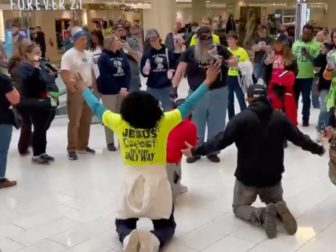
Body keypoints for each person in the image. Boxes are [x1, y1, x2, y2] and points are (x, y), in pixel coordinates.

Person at [77, 62, 221, 252]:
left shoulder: (119, 122)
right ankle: (154, 241)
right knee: (166, 225)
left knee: (123, 222)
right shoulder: (163, 122)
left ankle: (128, 238)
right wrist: (208, 82)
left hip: (131, 184)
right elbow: (188, 104)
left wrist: (84, 89)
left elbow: (97, 107)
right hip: (158, 185)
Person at [181, 84, 325, 239]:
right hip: (273, 178)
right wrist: (318, 149)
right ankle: (278, 207)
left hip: (247, 178)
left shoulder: (241, 119)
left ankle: (261, 214)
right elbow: (300, 139)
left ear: (248, 99)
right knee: (276, 198)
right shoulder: (280, 117)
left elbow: (220, 140)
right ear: (266, 97)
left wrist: (195, 151)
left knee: (238, 207)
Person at [173, 26, 237, 163]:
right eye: (203, 43)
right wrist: (174, 86)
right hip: (197, 93)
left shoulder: (220, 49)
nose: (206, 46)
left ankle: (212, 150)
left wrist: (225, 62)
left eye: (208, 42)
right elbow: (180, 69)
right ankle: (194, 150)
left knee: (217, 122)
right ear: (197, 40)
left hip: (218, 92)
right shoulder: (190, 52)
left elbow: (235, 62)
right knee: (196, 123)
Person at [61, 26, 96, 161]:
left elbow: (91, 71)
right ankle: (72, 148)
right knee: (75, 121)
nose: (85, 42)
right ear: (75, 40)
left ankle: (83, 145)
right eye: (82, 39)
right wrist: (71, 87)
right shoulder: (69, 55)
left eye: (86, 39)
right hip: (76, 91)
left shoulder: (88, 54)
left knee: (86, 120)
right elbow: (64, 73)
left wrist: (93, 86)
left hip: (87, 89)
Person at [18, 43, 56, 164]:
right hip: (34, 100)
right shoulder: (24, 67)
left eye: (39, 52)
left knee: (44, 126)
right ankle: (36, 154)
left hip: (47, 98)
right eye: (35, 53)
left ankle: (42, 151)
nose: (38, 55)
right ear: (28, 54)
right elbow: (31, 82)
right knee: (39, 126)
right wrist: (36, 68)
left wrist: (52, 73)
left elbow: (48, 79)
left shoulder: (42, 66)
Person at [97, 34, 130, 152]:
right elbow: (105, 76)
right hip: (109, 92)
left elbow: (127, 71)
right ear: (110, 42)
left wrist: (125, 87)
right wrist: (117, 88)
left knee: (122, 117)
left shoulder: (122, 55)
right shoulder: (104, 57)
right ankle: (110, 142)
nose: (119, 41)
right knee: (110, 117)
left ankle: (122, 140)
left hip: (123, 91)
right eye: (116, 39)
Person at [166, 99, 198, 199]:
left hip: (156, 154)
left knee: (176, 168)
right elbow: (191, 147)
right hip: (169, 159)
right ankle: (173, 190)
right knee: (172, 181)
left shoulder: (166, 116)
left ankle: (176, 185)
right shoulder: (190, 126)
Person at [264, 34, 298, 126]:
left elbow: (295, 72)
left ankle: (290, 130)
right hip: (273, 86)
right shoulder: (271, 54)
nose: (277, 45)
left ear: (285, 44)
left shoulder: (290, 56)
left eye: (279, 43)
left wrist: (285, 77)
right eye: (275, 43)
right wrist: (268, 62)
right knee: (273, 106)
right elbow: (265, 70)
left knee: (289, 108)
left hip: (286, 87)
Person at [292, 24, 321, 126]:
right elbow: (292, 58)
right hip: (295, 76)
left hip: (308, 76)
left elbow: (317, 62)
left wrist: (308, 55)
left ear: (312, 34)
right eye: (304, 33)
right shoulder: (296, 44)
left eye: (308, 34)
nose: (306, 35)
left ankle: (305, 119)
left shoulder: (317, 45)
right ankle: (293, 118)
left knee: (305, 99)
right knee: (293, 98)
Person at [140, 29, 176, 111]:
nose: (153, 42)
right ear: (148, 41)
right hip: (152, 87)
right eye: (151, 40)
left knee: (169, 112)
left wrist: (172, 71)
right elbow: (143, 72)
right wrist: (145, 71)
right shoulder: (147, 54)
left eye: (155, 39)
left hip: (166, 87)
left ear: (159, 38)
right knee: (151, 112)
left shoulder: (167, 51)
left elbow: (174, 65)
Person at [8, 39, 32, 156]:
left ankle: (28, 141)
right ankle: (22, 147)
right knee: (26, 122)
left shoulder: (20, 62)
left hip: (23, 95)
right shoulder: (20, 64)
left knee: (28, 121)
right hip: (22, 96)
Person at [0, 73, 20, 188]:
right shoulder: (3, 79)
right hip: (2, 119)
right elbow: (15, 99)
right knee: (1, 150)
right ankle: (1, 179)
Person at [226, 32, 249, 119]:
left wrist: (239, 66)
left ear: (236, 40)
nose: (229, 41)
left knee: (241, 100)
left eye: (231, 38)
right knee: (229, 101)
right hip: (228, 77)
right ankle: (231, 120)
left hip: (239, 77)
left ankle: (245, 118)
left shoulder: (242, 51)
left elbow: (247, 64)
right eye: (228, 39)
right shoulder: (226, 50)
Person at [314, 41, 333, 141]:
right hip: (325, 86)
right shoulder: (324, 54)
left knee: (331, 111)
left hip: (333, 86)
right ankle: (321, 130)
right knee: (324, 109)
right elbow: (316, 63)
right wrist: (322, 53)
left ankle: (329, 132)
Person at [115, 23, 142, 92]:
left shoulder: (132, 42)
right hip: (118, 79)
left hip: (132, 79)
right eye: (119, 30)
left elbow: (138, 58)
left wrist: (128, 49)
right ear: (114, 32)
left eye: (122, 30)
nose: (121, 32)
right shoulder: (111, 44)